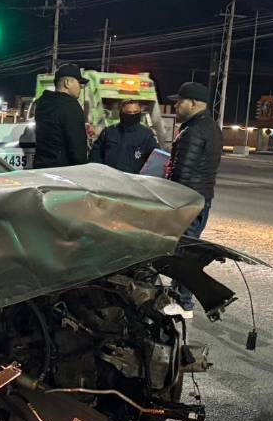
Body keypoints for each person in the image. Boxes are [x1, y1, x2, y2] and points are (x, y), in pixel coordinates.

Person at [165, 82, 223, 318]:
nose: (176, 105)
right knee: (184, 249)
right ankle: (177, 295)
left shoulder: (194, 131)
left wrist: (171, 199)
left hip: (189, 200)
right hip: (200, 198)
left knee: (185, 252)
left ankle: (184, 303)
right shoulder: (208, 127)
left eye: (180, 101)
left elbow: (184, 173)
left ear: (194, 104)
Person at [33, 63, 89, 168]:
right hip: (63, 171)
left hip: (40, 167)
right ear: (67, 83)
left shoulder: (42, 103)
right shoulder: (70, 106)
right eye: (79, 83)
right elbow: (77, 149)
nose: (80, 88)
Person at [90, 100, 157, 174]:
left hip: (134, 180)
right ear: (121, 113)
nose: (132, 115)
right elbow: (96, 154)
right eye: (129, 112)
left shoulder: (146, 134)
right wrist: (99, 172)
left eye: (135, 112)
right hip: (109, 177)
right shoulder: (109, 132)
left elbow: (154, 159)